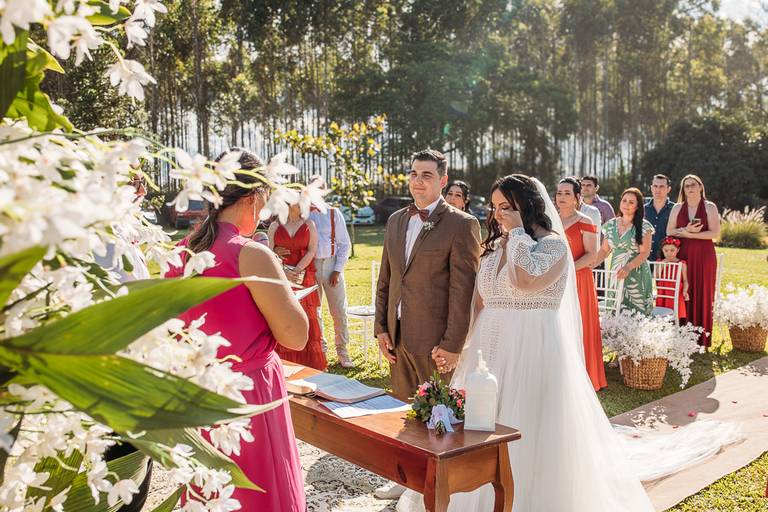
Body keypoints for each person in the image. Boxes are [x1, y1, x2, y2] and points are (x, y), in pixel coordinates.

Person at [397, 175, 739, 512]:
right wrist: (458, 346)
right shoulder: (495, 247)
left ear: (527, 206)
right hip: (489, 350)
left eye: (507, 207)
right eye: (496, 207)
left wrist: (518, 234)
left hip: (532, 346)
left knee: (524, 425)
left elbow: (526, 280)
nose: (498, 215)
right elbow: (479, 302)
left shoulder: (553, 245)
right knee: (481, 422)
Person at [165, 148, 308, 511]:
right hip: (250, 397)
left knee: (212, 495)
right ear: (254, 196)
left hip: (197, 393)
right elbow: (296, 336)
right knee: (260, 492)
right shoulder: (252, 254)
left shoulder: (178, 254)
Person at [374, 149, 481, 499]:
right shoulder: (396, 220)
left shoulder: (462, 224)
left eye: (427, 175)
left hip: (436, 341)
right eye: (414, 174)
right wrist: (381, 328)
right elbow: (386, 279)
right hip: (398, 335)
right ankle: (406, 480)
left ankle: (441, 485)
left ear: (443, 180)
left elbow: (463, 291)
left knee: (440, 416)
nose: (418, 181)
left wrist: (452, 344)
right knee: (404, 411)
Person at [557, 177, 606, 392]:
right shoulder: (551, 221)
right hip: (556, 281)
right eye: (559, 193)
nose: (562, 197)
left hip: (579, 279)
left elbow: (591, 255)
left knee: (580, 324)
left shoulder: (585, 220)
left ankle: (586, 377)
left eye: (567, 193)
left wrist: (568, 270)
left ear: (577, 197)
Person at [269, 202, 328, 370]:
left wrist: (297, 270)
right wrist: (284, 270)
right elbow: (269, 252)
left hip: (304, 275)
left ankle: (310, 364)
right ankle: (286, 364)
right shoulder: (275, 225)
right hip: (281, 276)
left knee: (307, 316)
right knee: (285, 316)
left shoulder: (309, 224)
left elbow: (312, 250)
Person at [666, 174, 720, 347]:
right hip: (683, 255)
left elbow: (715, 233)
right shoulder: (677, 207)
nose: (690, 188)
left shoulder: (710, 207)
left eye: (693, 184)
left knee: (703, 292)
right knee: (683, 291)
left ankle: (701, 338)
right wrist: (685, 229)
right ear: (683, 189)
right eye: (686, 186)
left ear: (700, 187)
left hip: (704, 255)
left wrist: (689, 234)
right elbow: (669, 231)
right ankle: (682, 336)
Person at [307, 176, 354, 368]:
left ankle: (343, 352)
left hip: (332, 265)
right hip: (310, 266)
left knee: (338, 310)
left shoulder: (334, 213)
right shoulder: (303, 213)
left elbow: (345, 244)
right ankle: (321, 351)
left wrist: (337, 270)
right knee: (314, 311)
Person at [595, 188, 655, 315]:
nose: (626, 204)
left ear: (637, 206)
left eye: (631, 202)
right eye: (624, 201)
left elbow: (644, 253)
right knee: (614, 312)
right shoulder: (610, 225)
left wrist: (628, 267)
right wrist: (591, 265)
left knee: (636, 315)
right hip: (615, 274)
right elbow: (604, 250)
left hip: (636, 274)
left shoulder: (644, 226)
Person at [655, 236, 689, 322]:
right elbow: (657, 277)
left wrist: (685, 291)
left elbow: (685, 281)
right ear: (662, 250)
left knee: (675, 313)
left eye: (672, 250)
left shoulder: (682, 263)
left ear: (678, 250)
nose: (669, 253)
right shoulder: (660, 262)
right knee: (662, 314)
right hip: (663, 290)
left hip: (676, 291)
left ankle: (675, 326)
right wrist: (663, 264)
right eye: (666, 250)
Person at [644, 174, 674, 259]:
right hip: (644, 259)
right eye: (655, 186)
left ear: (668, 189)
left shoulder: (675, 209)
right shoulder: (642, 209)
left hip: (666, 260)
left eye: (661, 186)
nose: (658, 189)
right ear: (651, 188)